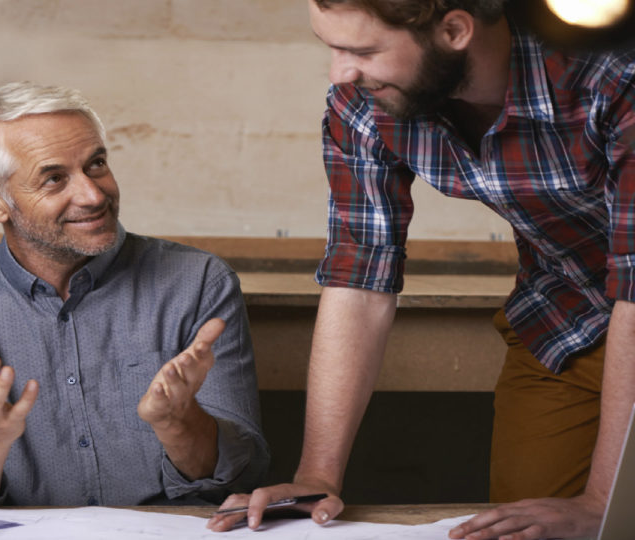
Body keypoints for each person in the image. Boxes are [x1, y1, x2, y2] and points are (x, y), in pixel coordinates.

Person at [208, 1, 635, 539]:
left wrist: (602, 500)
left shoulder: (615, 79)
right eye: (332, 47)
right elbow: (359, 277)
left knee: (617, 519)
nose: (339, 72)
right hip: (561, 319)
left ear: (455, 30)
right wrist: (316, 476)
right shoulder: (361, 104)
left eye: (362, 51)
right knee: (523, 527)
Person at [0, 82, 269, 507]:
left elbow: (242, 475)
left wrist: (181, 424)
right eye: (54, 179)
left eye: (96, 165)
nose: (93, 195)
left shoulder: (198, 282)